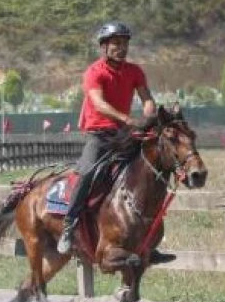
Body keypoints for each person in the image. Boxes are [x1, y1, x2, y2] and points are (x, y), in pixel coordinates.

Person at [55, 21, 174, 263]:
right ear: (104, 47)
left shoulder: (134, 71)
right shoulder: (94, 72)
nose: (121, 48)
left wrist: (150, 114)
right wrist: (129, 119)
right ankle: (69, 225)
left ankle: (149, 241)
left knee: (147, 170)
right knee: (87, 173)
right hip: (99, 134)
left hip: (124, 133)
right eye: (116, 44)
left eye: (124, 44)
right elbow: (98, 104)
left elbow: (146, 97)